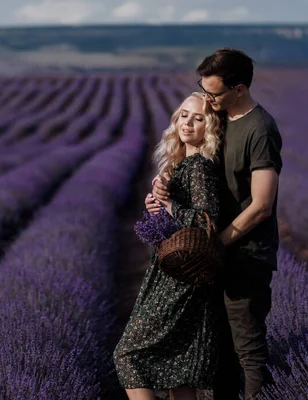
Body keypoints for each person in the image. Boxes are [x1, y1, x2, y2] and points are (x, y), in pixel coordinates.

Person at [147, 48, 283, 400]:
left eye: (214, 93)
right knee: (218, 350)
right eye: (203, 90)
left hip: (246, 255)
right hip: (215, 255)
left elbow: (262, 205)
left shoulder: (260, 129)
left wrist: (215, 242)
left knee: (248, 351)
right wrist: (163, 188)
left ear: (239, 89)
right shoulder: (220, 120)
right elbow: (194, 166)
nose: (208, 100)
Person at [113, 92, 225, 400]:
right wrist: (156, 211)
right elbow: (174, 224)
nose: (188, 122)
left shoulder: (200, 167)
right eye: (184, 115)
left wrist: (169, 204)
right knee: (179, 368)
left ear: (211, 128)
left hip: (180, 279)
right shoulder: (181, 165)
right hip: (173, 272)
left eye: (199, 118)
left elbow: (206, 223)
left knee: (128, 356)